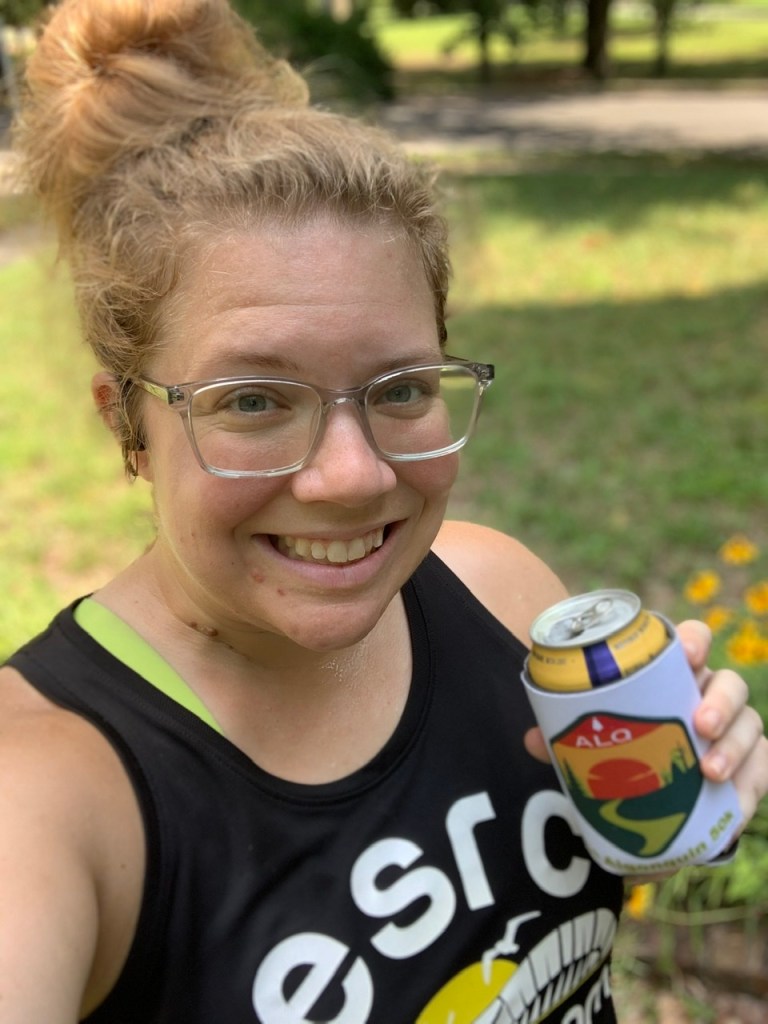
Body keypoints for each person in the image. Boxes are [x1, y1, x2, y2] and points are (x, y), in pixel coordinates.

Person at [2, 1, 766, 1022]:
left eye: (403, 386)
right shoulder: (50, 791)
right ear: (128, 426)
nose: (353, 476)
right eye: (255, 402)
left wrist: (677, 803)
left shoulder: (499, 592)